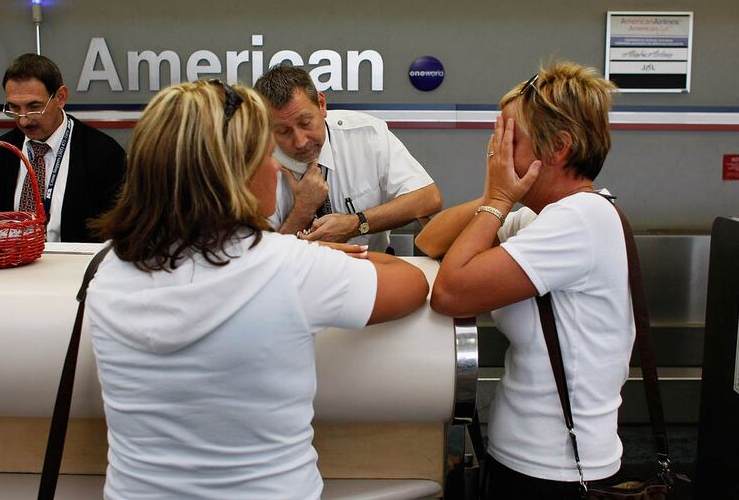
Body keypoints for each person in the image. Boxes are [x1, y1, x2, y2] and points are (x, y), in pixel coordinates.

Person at [85, 80, 429, 499]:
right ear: (230, 176)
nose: (277, 167)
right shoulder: (286, 266)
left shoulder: (105, 267)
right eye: (267, 155)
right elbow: (411, 284)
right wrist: (327, 255)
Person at [416, 62, 631, 499]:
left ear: (558, 147)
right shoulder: (542, 218)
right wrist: (499, 192)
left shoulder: (579, 220)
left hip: (556, 472)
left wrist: (499, 196)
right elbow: (430, 241)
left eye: (509, 139)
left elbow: (451, 293)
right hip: (527, 458)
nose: (495, 152)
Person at [254, 64, 442, 253]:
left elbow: (428, 197)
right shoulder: (254, 163)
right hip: (291, 278)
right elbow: (257, 263)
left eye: (305, 123)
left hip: (372, 269)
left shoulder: (366, 135)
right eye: (283, 131)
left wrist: (356, 223)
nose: (300, 141)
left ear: (321, 104)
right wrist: (302, 211)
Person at [0, 53, 125, 242]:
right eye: (14, 108)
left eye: (34, 106)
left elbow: (115, 231)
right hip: (10, 265)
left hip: (75, 267)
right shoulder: (1, 153)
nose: (23, 119)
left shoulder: (104, 154)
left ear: (60, 97)